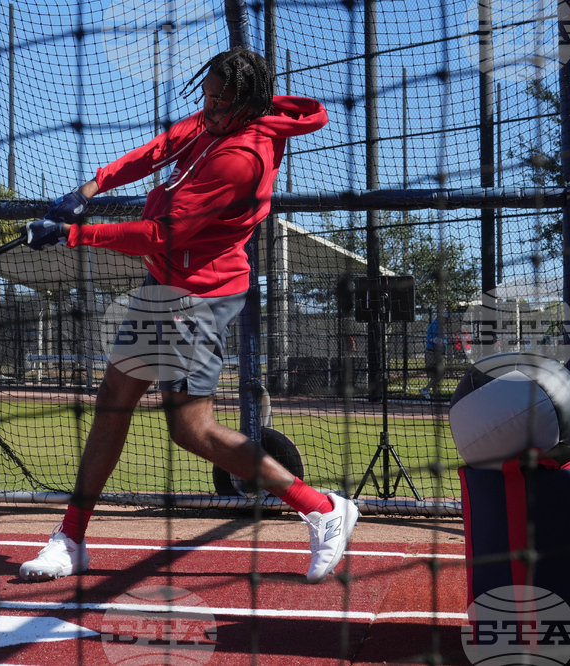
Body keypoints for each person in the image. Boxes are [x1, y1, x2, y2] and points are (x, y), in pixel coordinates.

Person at [20, 47, 356, 584]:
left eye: (222, 101)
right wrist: (92, 187)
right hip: (165, 283)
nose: (210, 107)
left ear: (247, 103)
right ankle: (71, 538)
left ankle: (320, 507)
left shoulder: (240, 156)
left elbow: (159, 234)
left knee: (191, 429)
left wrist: (71, 235)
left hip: (200, 295)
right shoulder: (217, 119)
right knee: (114, 401)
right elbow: (164, 146)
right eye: (208, 95)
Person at [421, 312, 448, 400]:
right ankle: (426, 389)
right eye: (445, 319)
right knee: (439, 373)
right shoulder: (435, 325)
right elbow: (434, 339)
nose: (446, 322)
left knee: (436, 374)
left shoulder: (438, 326)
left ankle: (435, 394)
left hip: (435, 352)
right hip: (433, 352)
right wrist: (446, 342)